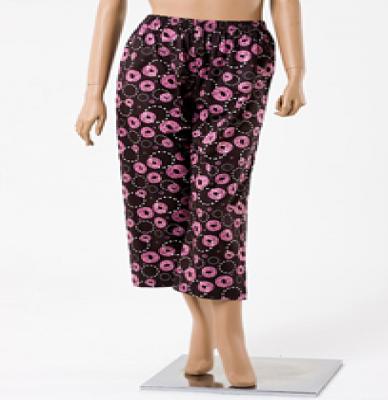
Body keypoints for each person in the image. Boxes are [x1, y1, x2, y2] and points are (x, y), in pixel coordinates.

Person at [74, 0, 305, 388]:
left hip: (241, 53)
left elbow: (285, 2)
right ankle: (202, 322)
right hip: (155, 52)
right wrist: (92, 92)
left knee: (219, 199)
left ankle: (230, 337)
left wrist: (297, 73)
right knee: (159, 199)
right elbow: (111, 6)